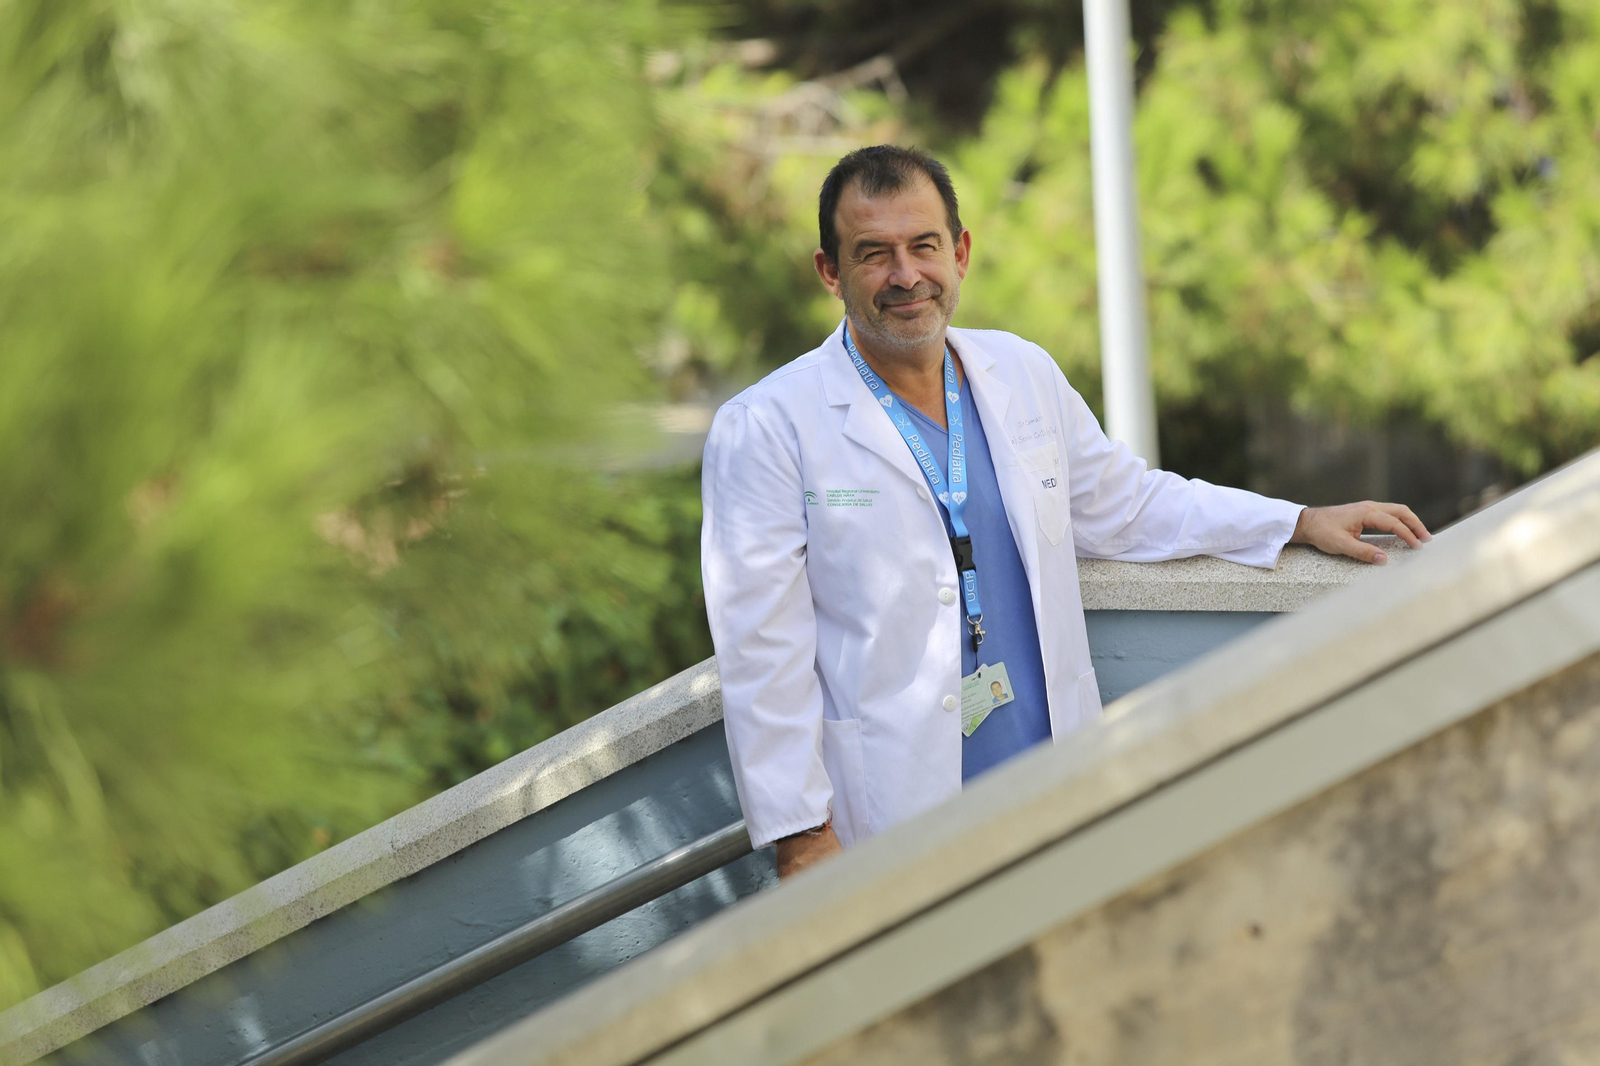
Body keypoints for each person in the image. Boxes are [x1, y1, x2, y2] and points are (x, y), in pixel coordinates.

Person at [700, 145, 1431, 880]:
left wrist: (1294, 522)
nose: (905, 275)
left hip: (1048, 785)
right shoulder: (767, 426)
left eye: (924, 246)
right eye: (873, 254)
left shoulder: (1020, 373)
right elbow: (761, 650)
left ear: (959, 252)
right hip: (894, 811)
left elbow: (1128, 503)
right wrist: (802, 838)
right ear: (831, 271)